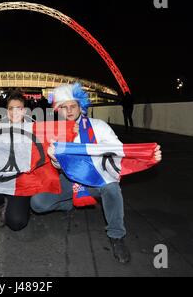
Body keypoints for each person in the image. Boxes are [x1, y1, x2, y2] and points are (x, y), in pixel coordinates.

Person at [30, 83, 162, 264]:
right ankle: (70, 204)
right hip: (68, 180)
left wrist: (147, 155)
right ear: (57, 110)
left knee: (112, 188)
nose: (69, 111)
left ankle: (116, 236)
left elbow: (119, 151)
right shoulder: (53, 132)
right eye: (64, 107)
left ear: (80, 106)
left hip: (97, 180)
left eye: (73, 106)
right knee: (37, 204)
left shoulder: (98, 126)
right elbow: (54, 167)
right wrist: (54, 158)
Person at [0, 92, 33, 231]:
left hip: (23, 179)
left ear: (25, 111)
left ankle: (23, 204)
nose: (14, 112)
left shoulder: (36, 128)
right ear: (6, 110)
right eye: (11, 108)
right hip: (4, 175)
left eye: (19, 108)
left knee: (16, 222)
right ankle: (3, 202)